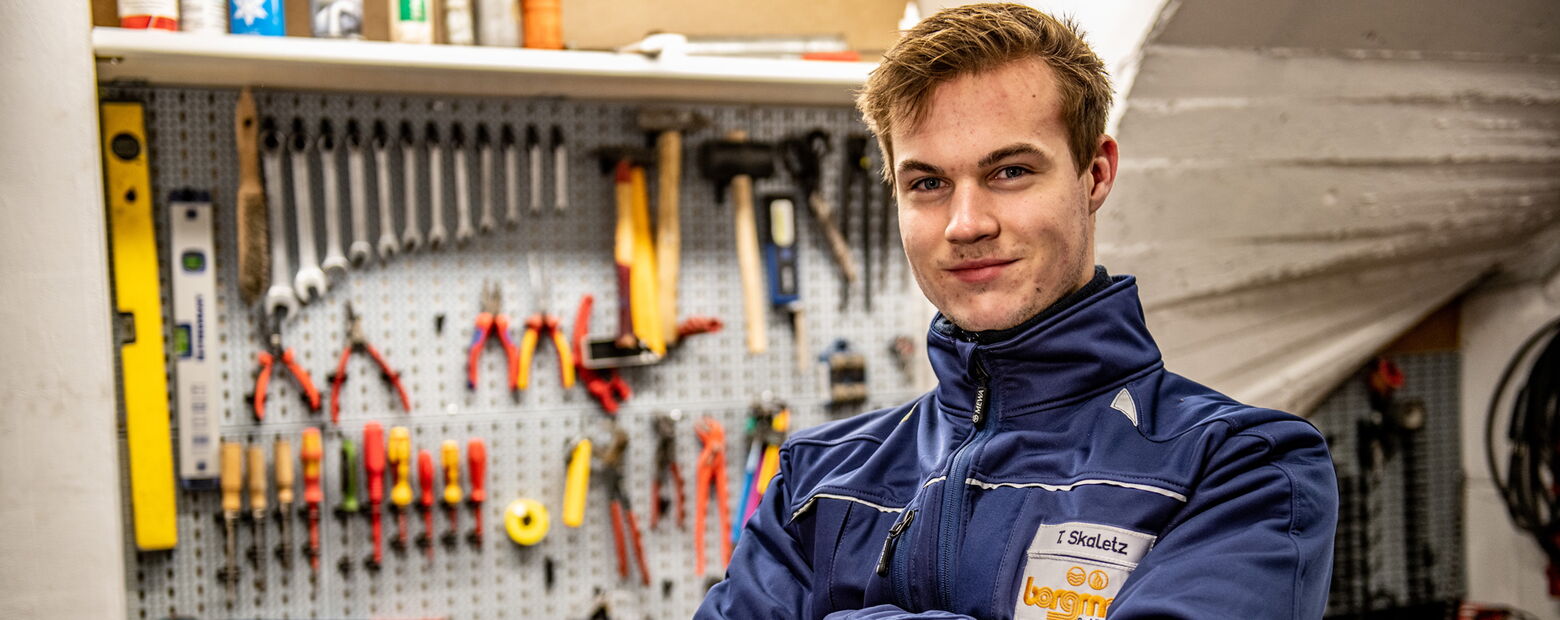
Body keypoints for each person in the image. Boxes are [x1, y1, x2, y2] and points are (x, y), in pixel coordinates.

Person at [696, 3, 1338, 619]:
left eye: (1009, 171)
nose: (966, 223)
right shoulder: (816, 480)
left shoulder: (1240, 467)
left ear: (1095, 174)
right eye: (928, 183)